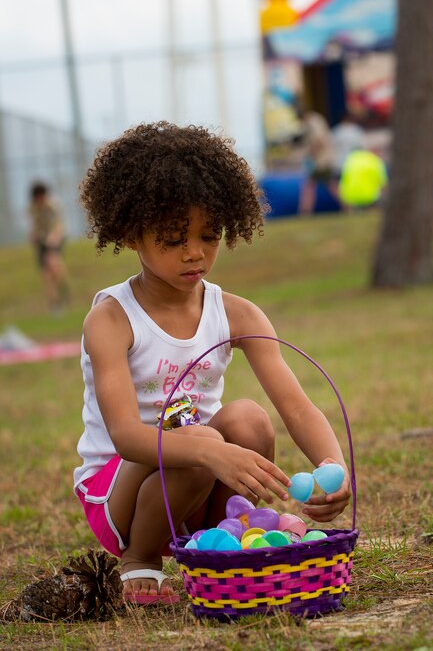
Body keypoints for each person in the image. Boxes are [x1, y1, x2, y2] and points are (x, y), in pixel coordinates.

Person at [73, 122, 351, 605]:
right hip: (119, 495)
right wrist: (208, 452)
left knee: (247, 417)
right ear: (131, 233)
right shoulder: (112, 319)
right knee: (202, 438)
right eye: (174, 238)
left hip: (194, 482)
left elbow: (296, 406)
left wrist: (332, 464)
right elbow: (124, 435)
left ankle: (225, 538)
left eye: (209, 234)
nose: (195, 252)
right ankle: (141, 559)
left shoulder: (236, 313)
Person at [28, 181, 70, 313]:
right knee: (46, 274)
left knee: (54, 264)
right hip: (41, 241)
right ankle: (55, 303)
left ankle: (63, 287)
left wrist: (54, 236)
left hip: (54, 239)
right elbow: (35, 226)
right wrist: (34, 234)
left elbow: (59, 225)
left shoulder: (53, 205)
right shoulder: (33, 208)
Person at [298, 110, 336, 214]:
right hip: (323, 159)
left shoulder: (313, 123)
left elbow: (319, 141)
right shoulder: (318, 119)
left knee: (311, 186)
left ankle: (305, 211)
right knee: (326, 184)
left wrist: (311, 154)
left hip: (320, 161)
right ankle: (305, 211)